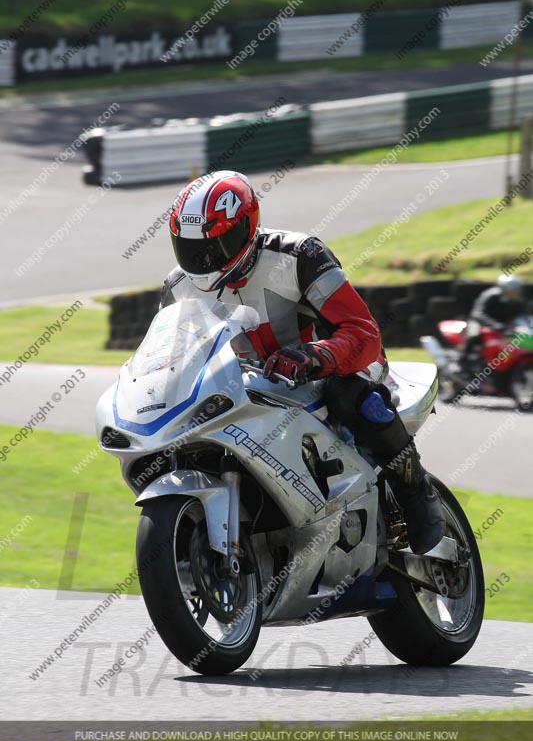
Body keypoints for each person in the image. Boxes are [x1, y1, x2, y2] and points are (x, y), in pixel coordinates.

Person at [160, 170, 444, 554]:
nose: (203, 259)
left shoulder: (299, 255)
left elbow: (361, 332)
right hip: (245, 385)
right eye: (190, 247)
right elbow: (169, 360)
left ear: (246, 227)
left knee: (354, 399)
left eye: (215, 245)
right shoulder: (178, 287)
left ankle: (415, 491)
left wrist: (316, 355)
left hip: (333, 365)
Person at [459, 274, 525, 365]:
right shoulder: (490, 296)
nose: (514, 293)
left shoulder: (518, 302)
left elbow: (520, 317)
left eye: (516, 291)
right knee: (473, 335)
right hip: (480, 322)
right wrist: (495, 325)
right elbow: (478, 313)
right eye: (511, 291)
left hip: (502, 326)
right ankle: (460, 360)